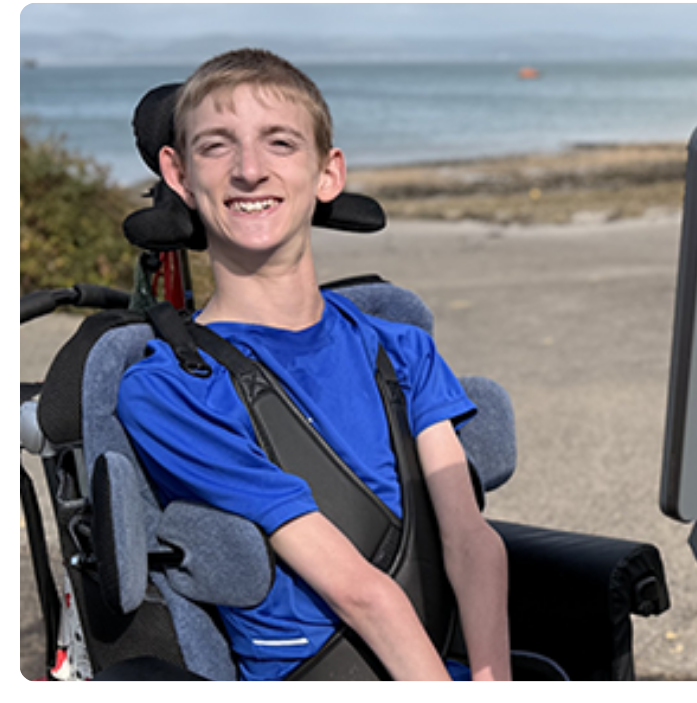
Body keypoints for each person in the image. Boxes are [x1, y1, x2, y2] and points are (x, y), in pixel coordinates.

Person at [117, 49, 512, 683]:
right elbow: (361, 590)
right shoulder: (171, 389)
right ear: (180, 175)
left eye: (280, 143)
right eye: (217, 146)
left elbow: (472, 542)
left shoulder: (400, 349)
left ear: (328, 173)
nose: (250, 170)